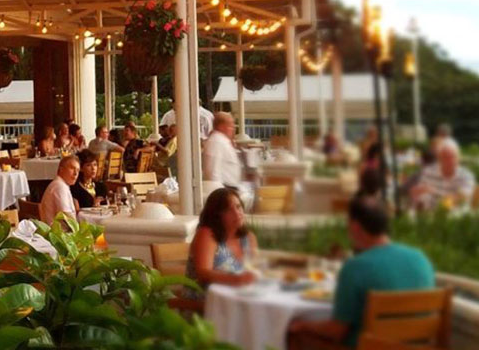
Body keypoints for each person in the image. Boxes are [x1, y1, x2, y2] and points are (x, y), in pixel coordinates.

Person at [288, 196, 435, 349]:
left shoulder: (355, 268)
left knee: (294, 335)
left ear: (355, 227)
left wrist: (303, 325)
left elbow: (336, 331)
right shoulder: (420, 258)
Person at [187, 188, 258, 293]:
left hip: (240, 296)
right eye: (228, 210)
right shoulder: (207, 234)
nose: (237, 213)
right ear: (217, 216)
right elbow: (203, 273)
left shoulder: (248, 237)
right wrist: (237, 279)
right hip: (205, 302)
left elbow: (254, 270)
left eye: (238, 207)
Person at [411, 139, 475, 209]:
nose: (449, 161)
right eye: (445, 157)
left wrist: (433, 192)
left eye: (452, 157)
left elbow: (461, 198)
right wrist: (416, 195)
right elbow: (421, 196)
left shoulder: (466, 176)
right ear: (439, 158)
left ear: (459, 158)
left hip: (457, 216)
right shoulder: (428, 172)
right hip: (431, 214)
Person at [202, 112, 242, 188]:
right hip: (223, 188)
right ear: (221, 126)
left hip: (230, 187)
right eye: (230, 125)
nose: (233, 128)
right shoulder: (216, 141)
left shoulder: (222, 140)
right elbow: (212, 171)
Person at [40, 155, 80, 223]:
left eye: (78, 170)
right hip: (58, 232)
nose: (75, 173)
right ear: (61, 169)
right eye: (72, 168)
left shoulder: (60, 184)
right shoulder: (60, 187)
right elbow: (67, 219)